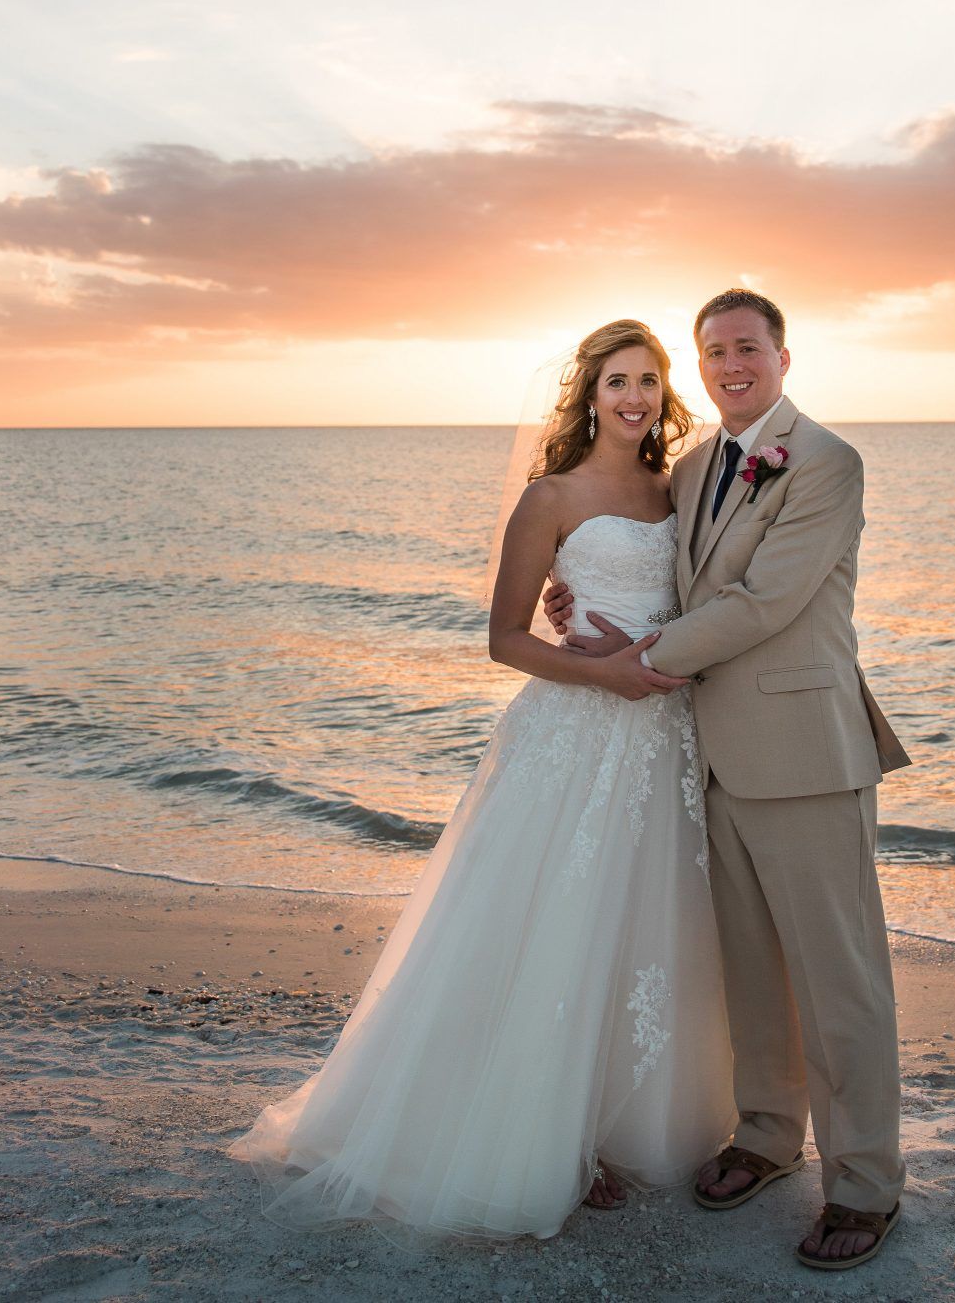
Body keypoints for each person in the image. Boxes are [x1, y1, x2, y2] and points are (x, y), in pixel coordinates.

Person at [227, 319, 735, 1240]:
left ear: (666, 393)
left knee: (642, 925)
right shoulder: (551, 497)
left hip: (663, 741)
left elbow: (699, 601)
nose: (634, 397)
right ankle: (547, 1140)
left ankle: (619, 1123)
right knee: (557, 928)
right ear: (588, 395)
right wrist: (606, 672)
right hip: (576, 738)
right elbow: (505, 639)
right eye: (616, 381)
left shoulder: (678, 490)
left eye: (649, 381)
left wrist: (654, 660)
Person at [545, 289, 912, 1273]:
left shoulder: (827, 463)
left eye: (745, 348)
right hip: (705, 750)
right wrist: (577, 593)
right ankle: (762, 1131)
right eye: (711, 352)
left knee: (838, 982)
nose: (727, 365)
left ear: (782, 357)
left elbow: (761, 602)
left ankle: (866, 1185)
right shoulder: (696, 462)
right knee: (748, 967)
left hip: (803, 754)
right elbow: (665, 576)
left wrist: (644, 652)